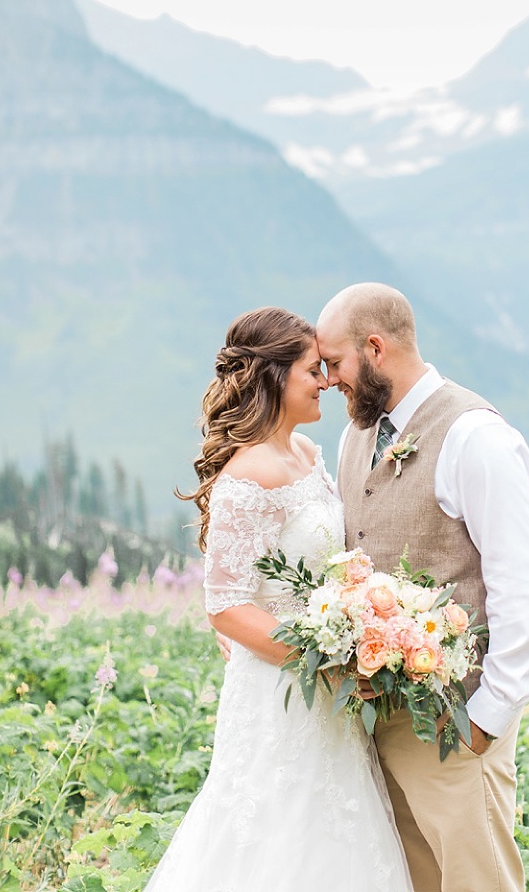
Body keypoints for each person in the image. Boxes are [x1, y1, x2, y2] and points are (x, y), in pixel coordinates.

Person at [145, 306, 413, 892]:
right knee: (275, 840)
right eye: (312, 370)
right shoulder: (248, 477)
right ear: (274, 377)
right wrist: (325, 657)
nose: (326, 381)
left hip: (331, 697)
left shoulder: (310, 457)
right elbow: (225, 605)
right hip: (283, 693)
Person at [315, 283, 529, 892]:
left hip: (458, 724)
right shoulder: (355, 437)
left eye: (335, 362)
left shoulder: (476, 437)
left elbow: (522, 591)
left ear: (375, 348)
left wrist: (485, 721)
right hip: (377, 726)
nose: (328, 378)